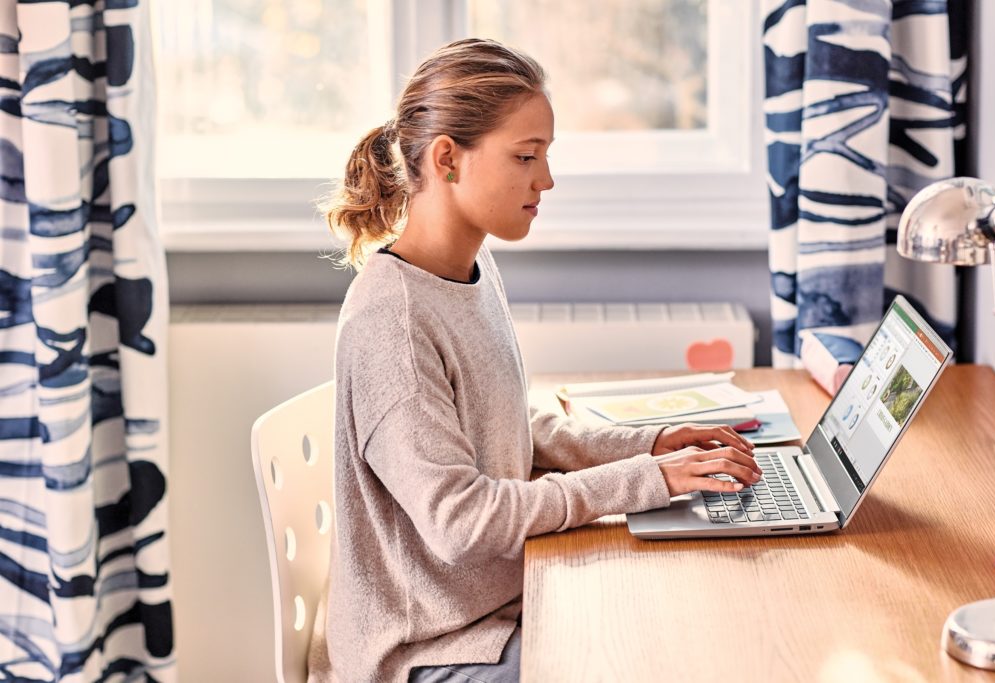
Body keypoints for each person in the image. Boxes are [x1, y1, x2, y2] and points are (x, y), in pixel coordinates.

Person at [307, 38, 762, 683]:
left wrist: (651, 447)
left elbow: (509, 431)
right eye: (526, 157)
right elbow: (462, 521)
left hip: (491, 612)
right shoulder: (394, 324)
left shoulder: (468, 266)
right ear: (448, 161)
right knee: (665, 656)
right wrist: (646, 481)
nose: (544, 181)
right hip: (433, 652)